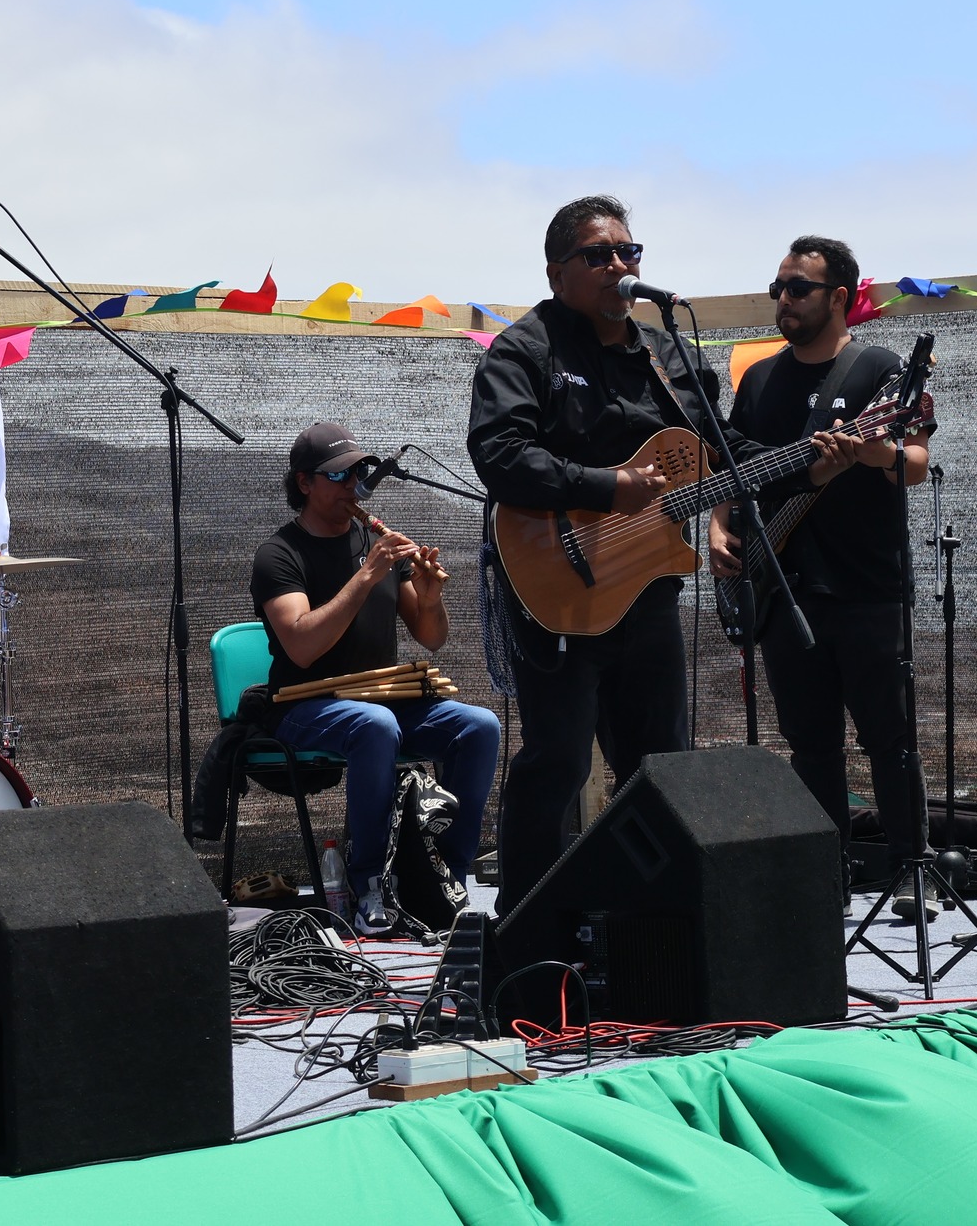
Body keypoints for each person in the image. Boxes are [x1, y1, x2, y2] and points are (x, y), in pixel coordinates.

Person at [465, 195, 777, 917]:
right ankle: (527, 928)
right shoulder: (526, 350)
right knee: (559, 759)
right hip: (556, 587)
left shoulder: (669, 355)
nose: (618, 265)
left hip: (647, 590)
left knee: (660, 764)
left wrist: (812, 456)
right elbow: (500, 455)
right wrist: (606, 487)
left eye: (628, 252)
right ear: (557, 273)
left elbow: (723, 450)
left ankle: (653, 927)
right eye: (598, 254)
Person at [711, 236, 934, 917]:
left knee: (889, 739)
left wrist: (871, 453)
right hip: (782, 587)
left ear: (838, 297)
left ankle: (912, 872)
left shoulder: (881, 371)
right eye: (777, 287)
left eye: (798, 288)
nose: (783, 299)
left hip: (867, 586)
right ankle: (825, 880)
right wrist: (718, 528)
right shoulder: (758, 379)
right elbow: (731, 467)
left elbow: (914, 464)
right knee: (810, 746)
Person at [250, 422, 501, 935]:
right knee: (375, 726)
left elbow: (431, 637)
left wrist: (430, 596)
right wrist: (367, 574)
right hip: (303, 706)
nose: (353, 485)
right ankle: (368, 886)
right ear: (304, 483)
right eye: (338, 475)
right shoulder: (279, 554)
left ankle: (445, 880)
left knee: (479, 726)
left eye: (358, 473)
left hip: (382, 699)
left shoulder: (375, 541)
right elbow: (301, 646)